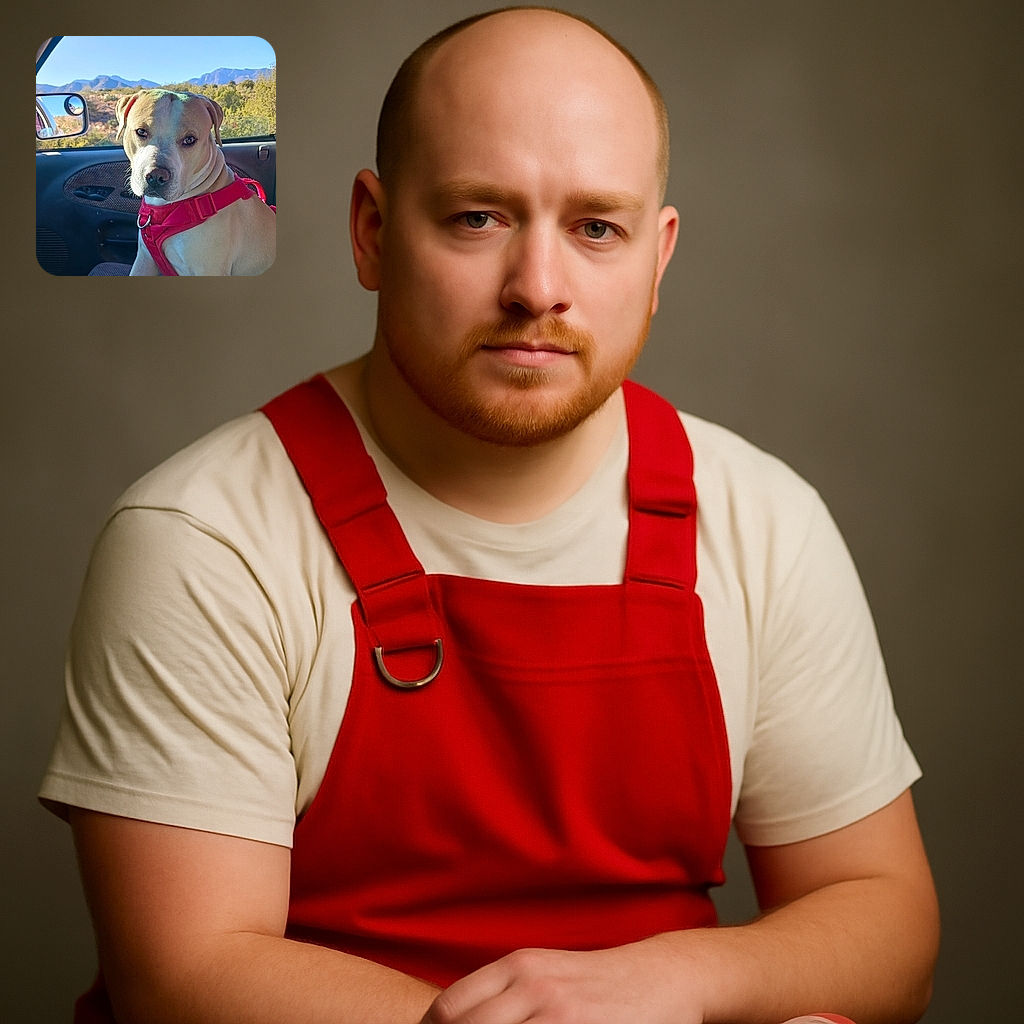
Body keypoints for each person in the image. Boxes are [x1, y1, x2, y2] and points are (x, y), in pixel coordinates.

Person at [40, 7, 939, 1023]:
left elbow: (882, 918)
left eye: (596, 228)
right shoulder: (204, 536)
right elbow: (187, 974)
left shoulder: (763, 519)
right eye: (478, 217)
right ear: (373, 232)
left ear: (659, 256)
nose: (538, 289)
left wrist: (675, 983)